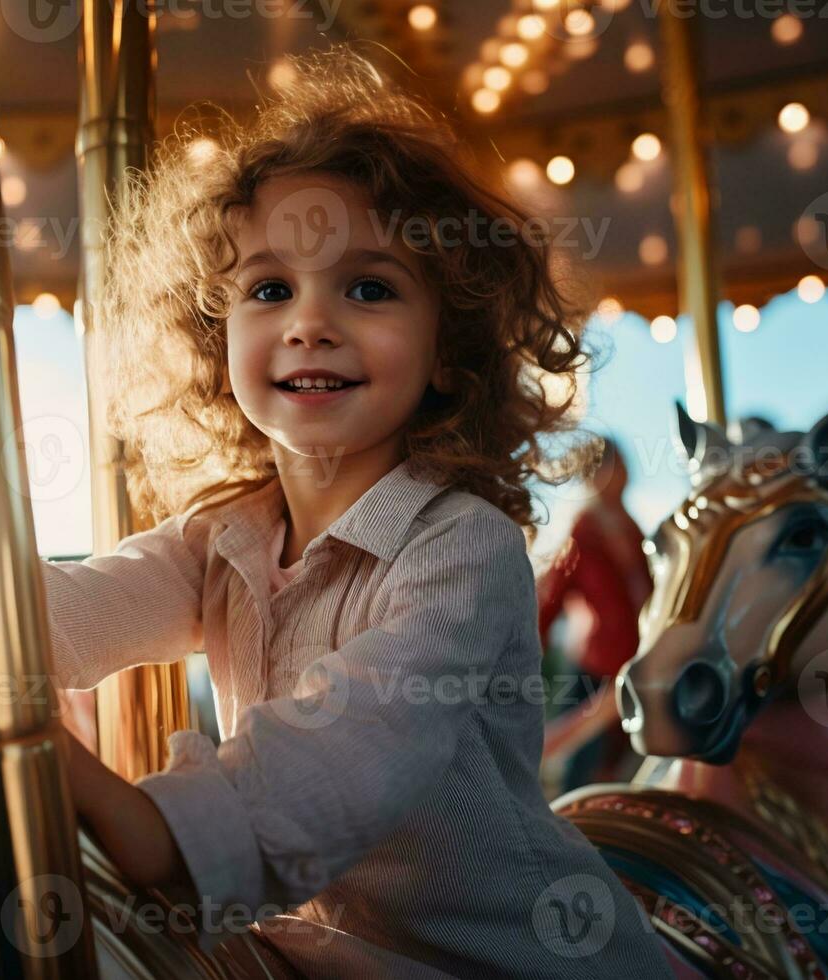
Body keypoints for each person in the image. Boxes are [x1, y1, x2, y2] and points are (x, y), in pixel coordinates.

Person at [39, 48, 668, 979]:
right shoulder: (225, 539)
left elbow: (345, 753)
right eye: (269, 289)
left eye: (368, 287)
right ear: (219, 342)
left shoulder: (461, 547)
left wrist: (128, 811)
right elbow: (61, 613)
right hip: (321, 953)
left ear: (449, 346)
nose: (310, 321)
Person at [536, 440, 653, 791]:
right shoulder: (581, 533)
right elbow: (550, 600)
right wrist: (526, 658)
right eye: (614, 465)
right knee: (579, 766)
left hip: (637, 663)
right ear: (594, 475)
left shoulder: (634, 531)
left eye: (624, 463)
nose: (624, 472)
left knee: (624, 767)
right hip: (595, 666)